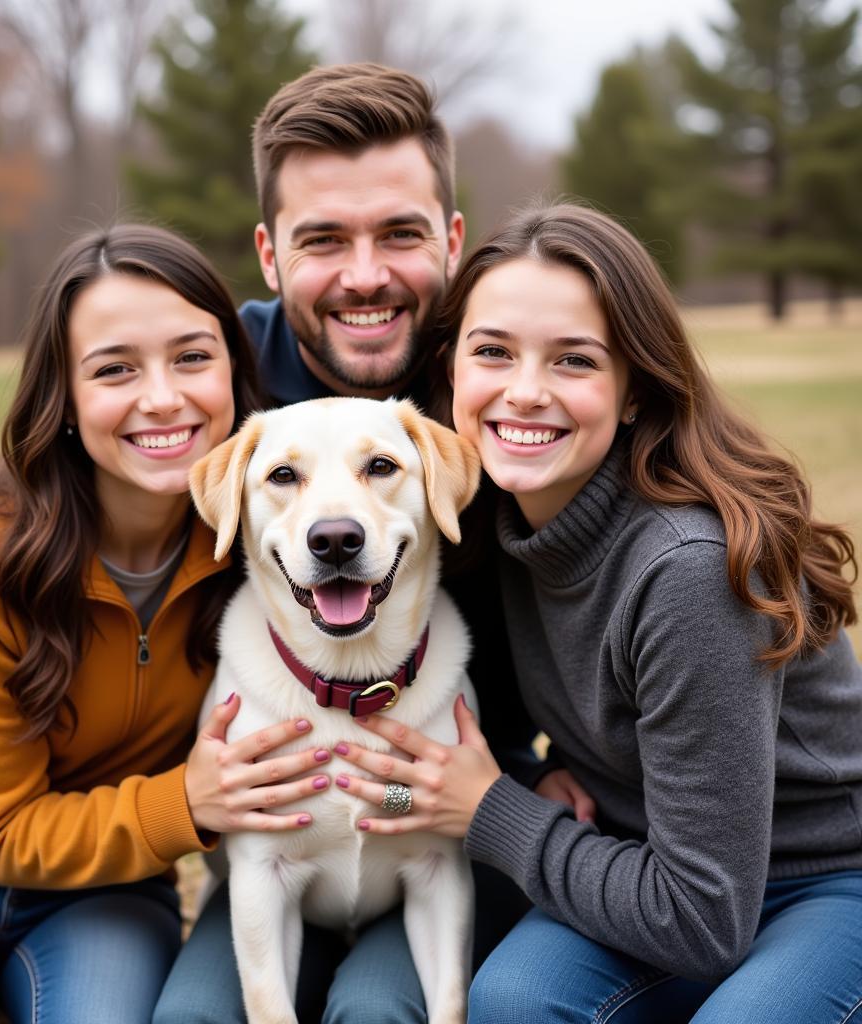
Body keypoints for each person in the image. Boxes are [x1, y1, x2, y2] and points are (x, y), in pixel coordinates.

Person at [0, 63, 593, 1009]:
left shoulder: (505, 395)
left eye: (399, 234)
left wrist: (553, 771)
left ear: (451, 239)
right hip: (264, 817)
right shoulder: (221, 385)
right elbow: (44, 477)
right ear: (271, 255)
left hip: (436, 792)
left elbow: (622, 544)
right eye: (323, 239)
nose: (364, 275)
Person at [329, 203, 862, 1023]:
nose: (525, 391)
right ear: (451, 371)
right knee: (515, 1002)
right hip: (641, 858)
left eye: (573, 360)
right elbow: (463, 755)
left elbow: (701, 919)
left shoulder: (684, 572)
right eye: (493, 352)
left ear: (634, 392)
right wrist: (506, 780)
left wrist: (492, 808)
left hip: (823, 881)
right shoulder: (480, 525)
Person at [0, 224, 348, 1022]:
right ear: (65, 399)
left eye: (192, 357)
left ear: (236, 374)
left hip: (106, 882)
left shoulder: (274, 533)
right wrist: (187, 802)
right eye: (115, 369)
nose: (163, 397)